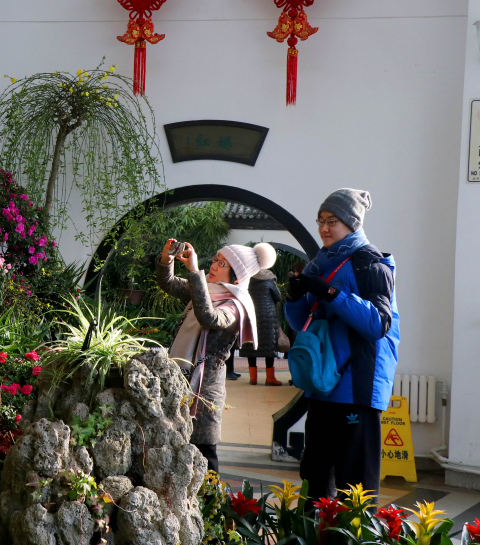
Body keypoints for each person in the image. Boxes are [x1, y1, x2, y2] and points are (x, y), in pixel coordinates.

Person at [284, 188, 398, 504]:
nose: (324, 228)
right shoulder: (319, 264)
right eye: (320, 220)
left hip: (357, 386)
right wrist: (294, 298)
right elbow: (301, 323)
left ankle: (351, 539)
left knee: (355, 488)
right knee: (314, 480)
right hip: (322, 385)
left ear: (351, 222)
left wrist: (330, 293)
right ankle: (314, 538)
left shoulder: (369, 263)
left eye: (332, 221)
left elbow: (377, 323)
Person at [157, 239, 277, 474]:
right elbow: (168, 283)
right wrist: (166, 260)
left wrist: (194, 271)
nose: (213, 265)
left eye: (222, 263)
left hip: (205, 391)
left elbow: (209, 318)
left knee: (204, 453)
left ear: (236, 276)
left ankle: (213, 498)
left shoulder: (236, 305)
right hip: (181, 380)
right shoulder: (207, 290)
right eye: (215, 259)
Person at [240, 267, 283, 386]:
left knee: (250, 345)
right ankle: (270, 378)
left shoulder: (246, 279)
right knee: (269, 346)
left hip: (250, 314)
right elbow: (278, 297)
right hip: (267, 316)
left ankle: (253, 378)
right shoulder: (269, 279)